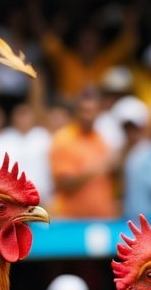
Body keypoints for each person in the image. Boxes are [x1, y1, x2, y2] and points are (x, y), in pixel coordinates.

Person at [49, 88, 117, 219]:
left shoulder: (101, 139)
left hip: (102, 220)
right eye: (85, 111)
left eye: (92, 111)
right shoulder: (63, 139)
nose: (89, 116)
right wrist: (96, 169)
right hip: (72, 221)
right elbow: (64, 184)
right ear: (76, 112)